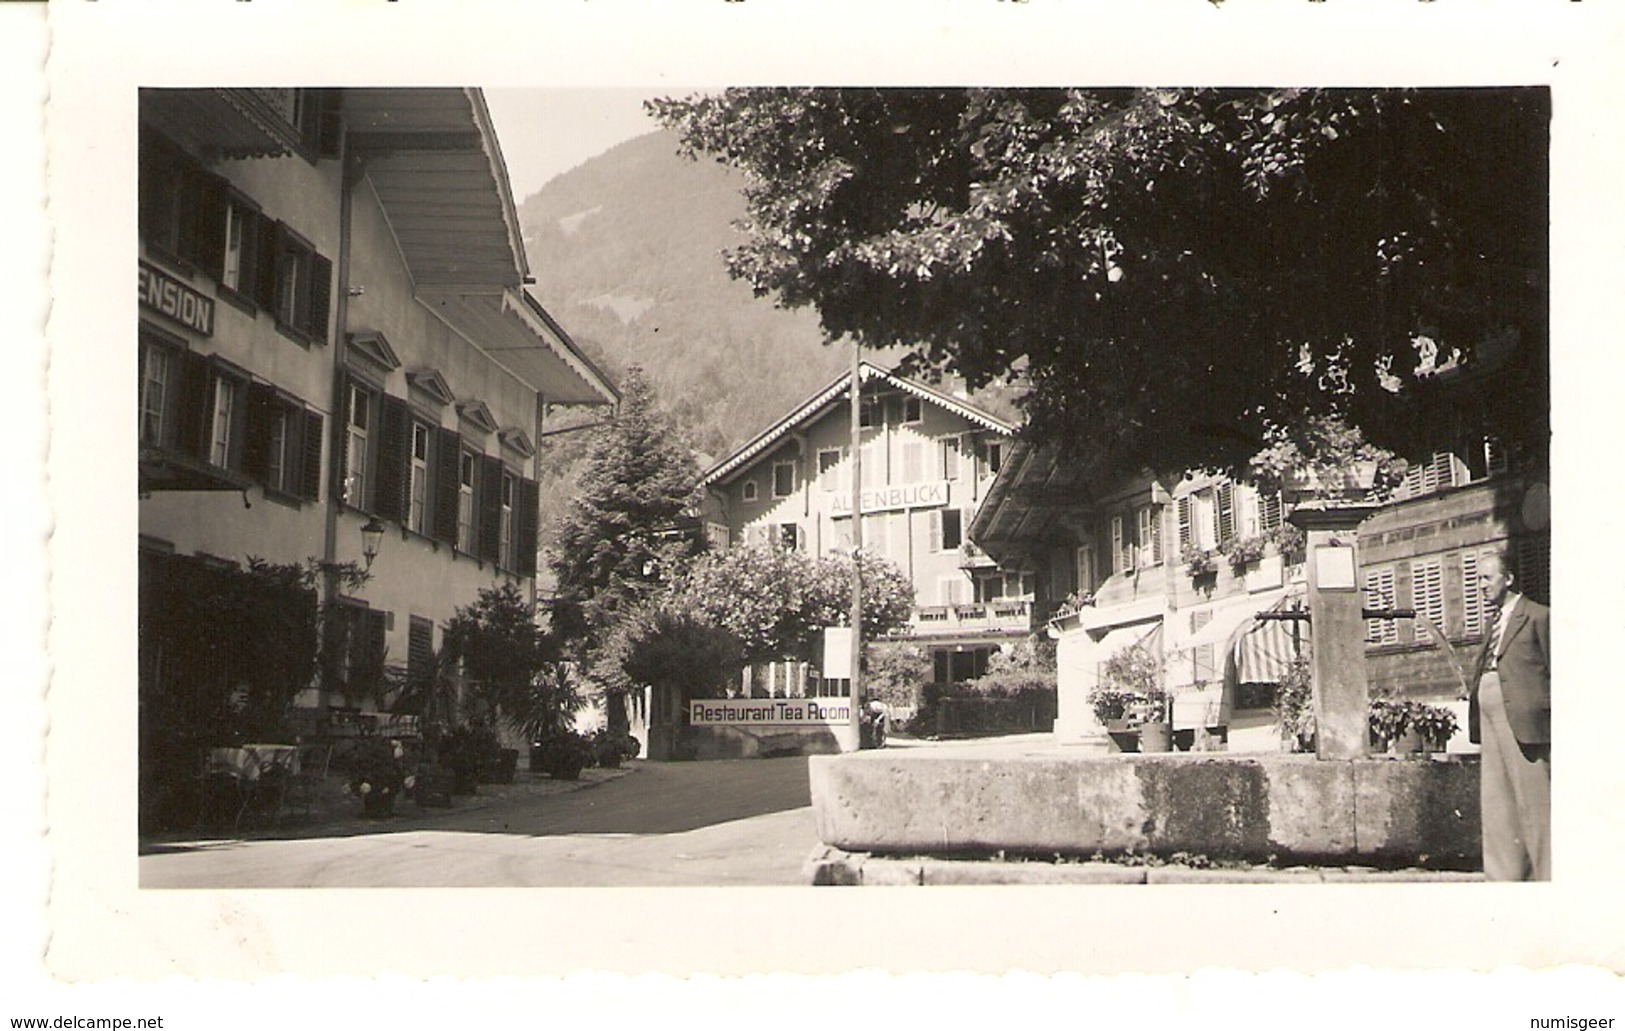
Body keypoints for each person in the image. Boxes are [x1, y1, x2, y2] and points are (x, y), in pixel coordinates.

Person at [1470, 549, 1550, 881]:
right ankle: (1503, 878)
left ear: (1510, 579)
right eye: (1479, 578)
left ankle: (1548, 875)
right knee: (1496, 800)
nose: (1481, 585)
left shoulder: (1538, 616)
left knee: (1534, 801)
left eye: (1487, 577)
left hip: (1522, 715)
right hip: (1489, 713)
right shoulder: (1495, 620)